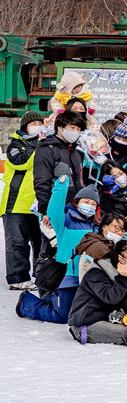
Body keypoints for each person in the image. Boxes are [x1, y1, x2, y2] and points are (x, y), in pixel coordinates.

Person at [3, 111, 44, 289]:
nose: (37, 126)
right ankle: (18, 278)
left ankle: (41, 275)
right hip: (16, 203)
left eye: (39, 122)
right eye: (33, 123)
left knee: (41, 243)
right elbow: (20, 161)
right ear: (25, 126)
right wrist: (40, 146)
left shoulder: (45, 143)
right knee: (17, 243)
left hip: (39, 203)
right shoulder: (15, 144)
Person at [33, 111, 88, 214]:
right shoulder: (47, 149)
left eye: (78, 129)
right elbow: (42, 181)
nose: (75, 132)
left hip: (74, 209)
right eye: (72, 128)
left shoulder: (75, 151)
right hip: (56, 208)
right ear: (60, 127)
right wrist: (46, 211)